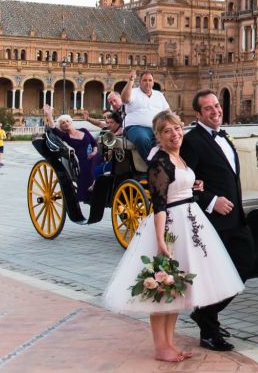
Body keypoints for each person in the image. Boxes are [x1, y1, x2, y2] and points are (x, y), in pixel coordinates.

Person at [104, 111, 244, 363]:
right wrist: (160, 241)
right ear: (158, 136)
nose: (175, 134)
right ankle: (161, 346)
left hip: (189, 221)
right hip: (170, 226)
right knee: (162, 290)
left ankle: (169, 343)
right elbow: (159, 205)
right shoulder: (160, 161)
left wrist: (194, 186)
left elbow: (179, 186)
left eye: (177, 129)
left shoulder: (176, 157)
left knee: (176, 290)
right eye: (167, 131)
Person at [179, 90, 255, 351]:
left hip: (235, 216)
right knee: (216, 274)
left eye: (217, 106)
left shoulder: (224, 135)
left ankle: (204, 314)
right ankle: (209, 332)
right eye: (208, 108)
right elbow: (186, 183)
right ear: (198, 114)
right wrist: (212, 201)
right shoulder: (192, 141)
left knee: (247, 263)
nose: (215, 111)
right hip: (212, 220)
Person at [42, 104, 97, 203]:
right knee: (87, 166)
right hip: (80, 159)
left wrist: (94, 152)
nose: (66, 123)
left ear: (71, 122)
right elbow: (54, 129)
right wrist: (49, 115)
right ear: (62, 127)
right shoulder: (65, 136)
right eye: (63, 123)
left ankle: (96, 184)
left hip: (92, 154)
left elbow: (94, 143)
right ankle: (90, 188)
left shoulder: (84, 130)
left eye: (67, 121)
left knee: (99, 160)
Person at [122, 70, 171, 157]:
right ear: (140, 82)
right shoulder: (133, 92)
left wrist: (177, 123)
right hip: (135, 127)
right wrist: (130, 81)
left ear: (153, 82)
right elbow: (124, 99)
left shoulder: (159, 95)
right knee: (142, 139)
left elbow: (167, 112)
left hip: (156, 128)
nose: (147, 83)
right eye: (145, 80)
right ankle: (154, 166)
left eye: (150, 80)